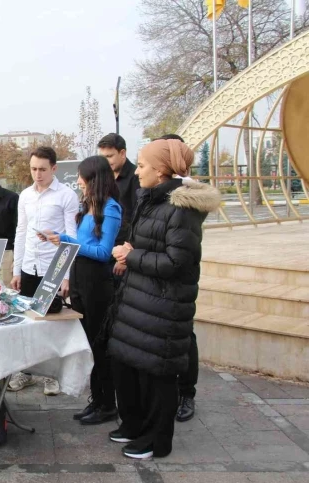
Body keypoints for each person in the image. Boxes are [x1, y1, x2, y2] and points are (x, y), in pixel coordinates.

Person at [108, 139, 220, 459]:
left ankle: (156, 440)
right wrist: (131, 254)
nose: (137, 171)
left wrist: (132, 256)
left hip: (164, 307)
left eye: (142, 165)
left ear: (160, 171)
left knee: (158, 376)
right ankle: (135, 425)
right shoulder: (153, 199)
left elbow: (176, 262)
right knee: (133, 367)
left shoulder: (181, 208)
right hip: (142, 301)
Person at [42, 156, 122, 425]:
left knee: (100, 346)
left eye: (82, 177)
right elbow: (82, 242)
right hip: (80, 280)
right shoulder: (88, 207)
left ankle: (107, 403)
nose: (78, 181)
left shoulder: (110, 209)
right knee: (88, 344)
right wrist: (61, 239)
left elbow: (103, 252)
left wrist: (66, 241)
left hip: (97, 284)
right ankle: (96, 400)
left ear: (94, 179)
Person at [9, 146, 79, 396]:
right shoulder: (25, 195)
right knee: (27, 321)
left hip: (53, 269)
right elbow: (20, 232)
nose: (37, 174)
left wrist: (66, 276)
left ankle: (52, 375)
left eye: (42, 169)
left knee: (52, 323)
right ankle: (25, 371)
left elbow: (71, 237)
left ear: (54, 169)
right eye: (33, 169)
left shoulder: (66, 196)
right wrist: (17, 270)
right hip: (29, 266)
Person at [156, 133, 199, 424]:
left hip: (176, 279)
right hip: (155, 276)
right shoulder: (152, 190)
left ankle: (186, 393)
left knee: (185, 338)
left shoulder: (188, 196)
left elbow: (179, 251)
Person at [97, 133, 140, 280]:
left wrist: (124, 258)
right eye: (103, 157)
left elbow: (137, 220)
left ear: (122, 153)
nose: (106, 161)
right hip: (104, 250)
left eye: (109, 156)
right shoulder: (104, 178)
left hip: (122, 255)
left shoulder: (136, 178)